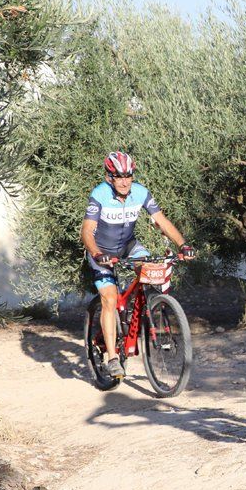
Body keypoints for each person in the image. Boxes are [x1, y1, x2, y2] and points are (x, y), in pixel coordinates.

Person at [81, 151, 195, 379]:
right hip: (101, 251)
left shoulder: (141, 193)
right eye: (119, 176)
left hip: (129, 246)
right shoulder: (100, 194)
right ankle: (113, 358)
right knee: (110, 299)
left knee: (152, 271)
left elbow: (162, 221)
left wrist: (183, 244)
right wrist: (95, 252)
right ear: (109, 177)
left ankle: (148, 310)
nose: (124, 181)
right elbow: (86, 231)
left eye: (128, 176)